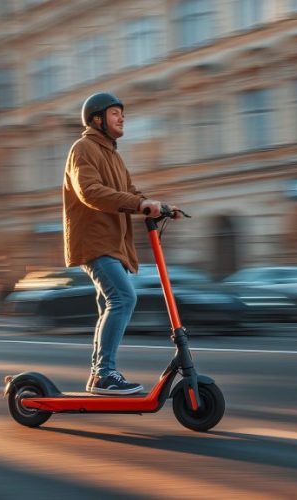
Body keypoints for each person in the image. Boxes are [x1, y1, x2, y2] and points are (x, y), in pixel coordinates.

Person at [62, 92, 176, 395]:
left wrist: (158, 205)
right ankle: (104, 374)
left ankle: (98, 374)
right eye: (115, 113)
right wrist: (139, 206)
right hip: (95, 241)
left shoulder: (113, 154)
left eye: (122, 113)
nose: (122, 118)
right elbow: (90, 191)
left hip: (113, 243)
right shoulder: (83, 149)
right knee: (123, 299)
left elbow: (130, 191)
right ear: (97, 119)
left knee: (110, 305)